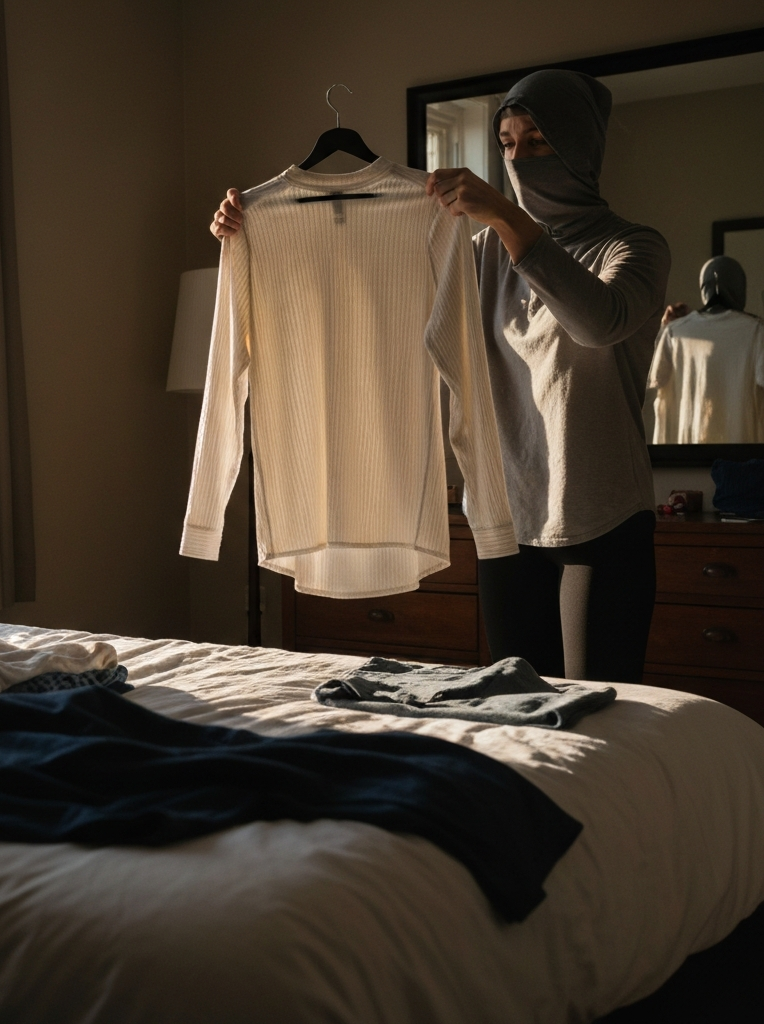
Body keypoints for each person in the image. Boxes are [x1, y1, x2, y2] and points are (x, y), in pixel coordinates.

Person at [210, 69, 670, 684]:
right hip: (504, 521)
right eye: (507, 143)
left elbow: (597, 321)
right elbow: (383, 306)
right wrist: (259, 237)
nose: (518, 157)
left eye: (537, 141)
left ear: (582, 145)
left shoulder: (633, 247)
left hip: (603, 518)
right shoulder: (479, 253)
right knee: (517, 714)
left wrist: (506, 216)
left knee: (601, 717)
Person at [648, 255, 764, 443]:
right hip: (741, 457)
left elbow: (654, 378)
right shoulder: (757, 332)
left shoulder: (674, 332)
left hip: (686, 460)